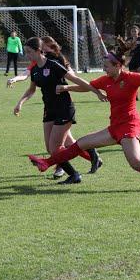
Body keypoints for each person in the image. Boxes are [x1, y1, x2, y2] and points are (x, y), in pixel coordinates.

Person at [27, 43, 140, 192]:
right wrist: (67, 87)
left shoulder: (131, 77)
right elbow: (88, 86)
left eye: (106, 67)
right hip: (115, 127)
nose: (104, 70)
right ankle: (46, 163)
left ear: (118, 65)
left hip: (129, 126)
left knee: (137, 163)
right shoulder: (107, 80)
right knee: (81, 143)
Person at [14, 37, 107, 184]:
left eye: (29, 52)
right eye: (26, 52)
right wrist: (20, 103)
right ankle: (88, 157)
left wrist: (97, 92)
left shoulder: (53, 65)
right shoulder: (35, 70)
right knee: (51, 149)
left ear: (39, 51)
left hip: (64, 108)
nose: (27, 55)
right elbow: (31, 90)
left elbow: (77, 80)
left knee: (55, 148)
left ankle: (74, 174)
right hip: (49, 110)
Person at [119, 25, 140, 101]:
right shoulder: (129, 40)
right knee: (133, 80)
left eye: (135, 31)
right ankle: (136, 96)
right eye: (132, 31)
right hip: (132, 62)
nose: (133, 32)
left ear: (138, 32)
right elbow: (125, 52)